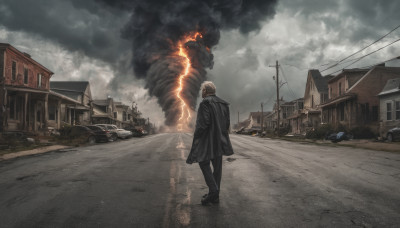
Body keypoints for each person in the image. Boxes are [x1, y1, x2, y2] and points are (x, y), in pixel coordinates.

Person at [186, 81, 234, 205]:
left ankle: (213, 191)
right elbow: (227, 123)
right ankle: (215, 196)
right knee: (217, 168)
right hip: (220, 140)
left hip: (208, 140)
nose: (201, 92)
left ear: (205, 91)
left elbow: (203, 124)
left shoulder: (205, 103)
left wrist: (197, 137)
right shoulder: (224, 104)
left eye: (202, 90)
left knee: (203, 162)